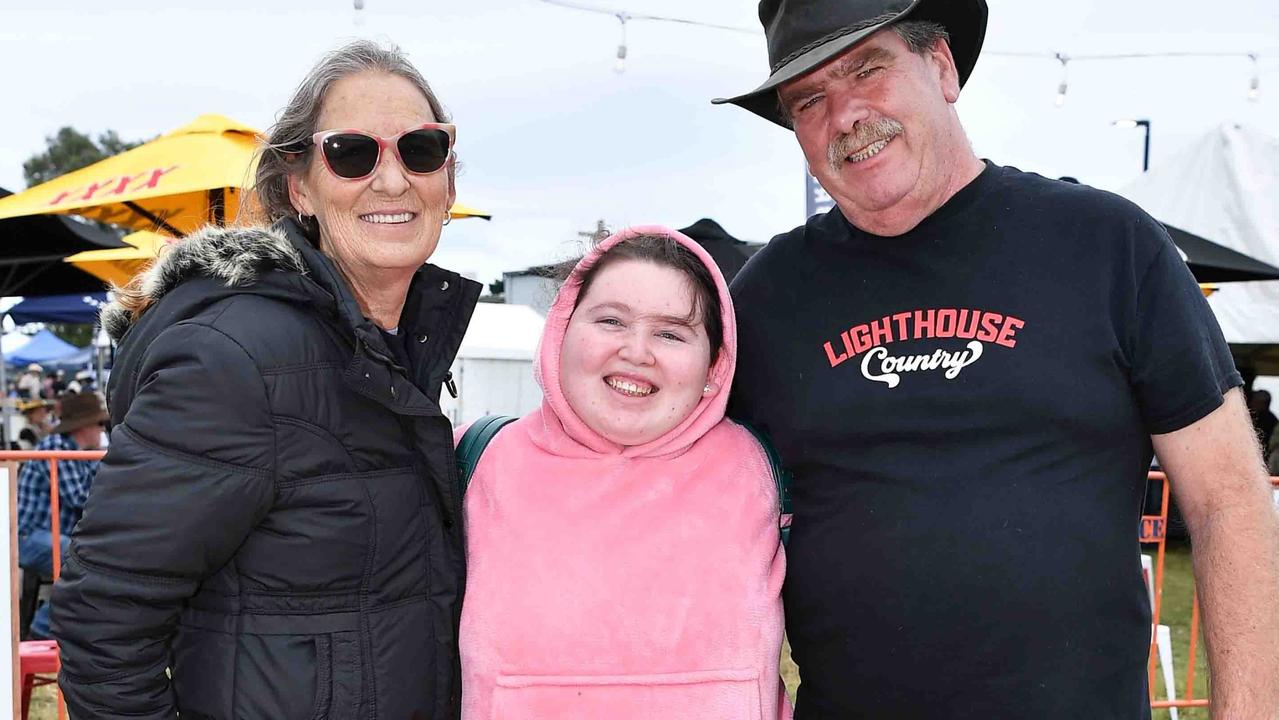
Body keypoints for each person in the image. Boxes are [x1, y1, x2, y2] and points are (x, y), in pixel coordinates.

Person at [716, 1, 1279, 717]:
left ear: (942, 66)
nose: (846, 114)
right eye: (808, 99)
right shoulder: (766, 296)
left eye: (868, 69)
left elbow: (1228, 496)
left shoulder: (1105, 246)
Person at [51, 39, 480, 719]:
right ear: (298, 185)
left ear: (447, 180)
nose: (393, 179)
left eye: (420, 149)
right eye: (352, 152)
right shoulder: (237, 357)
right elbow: (103, 623)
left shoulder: (399, 346)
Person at [458, 226, 789, 719]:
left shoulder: (759, 467)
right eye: (612, 321)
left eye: (671, 333)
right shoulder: (475, 460)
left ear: (714, 367)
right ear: (560, 330)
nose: (637, 351)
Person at [16, 392, 106, 639]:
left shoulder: (76, 450)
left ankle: (50, 628)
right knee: (88, 561)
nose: (102, 429)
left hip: (46, 535)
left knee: (93, 557)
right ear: (84, 426)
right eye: (100, 423)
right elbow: (83, 498)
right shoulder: (57, 448)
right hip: (26, 537)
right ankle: (42, 631)